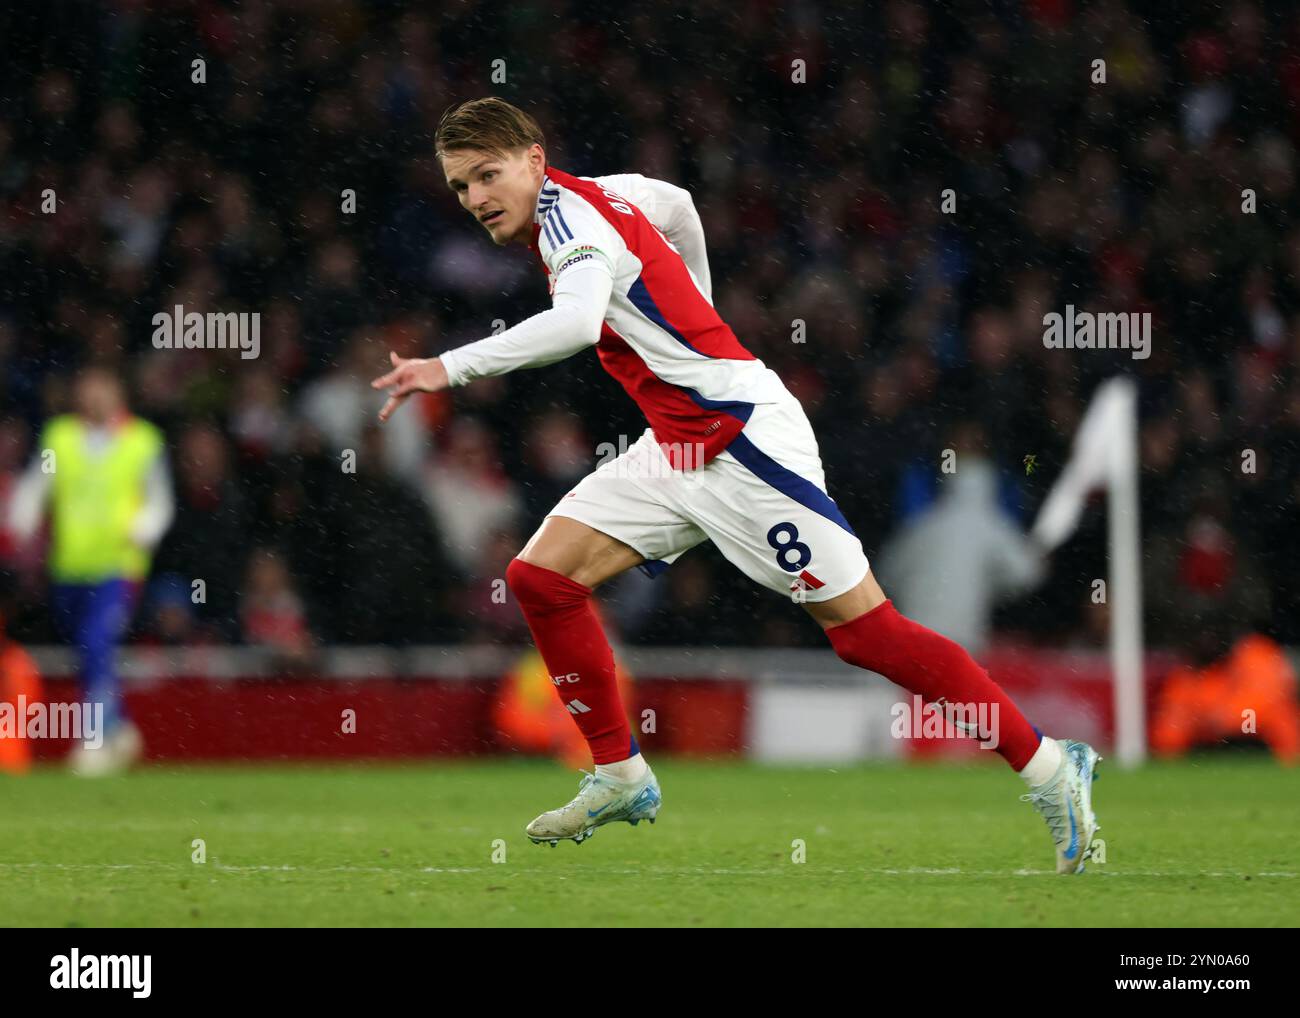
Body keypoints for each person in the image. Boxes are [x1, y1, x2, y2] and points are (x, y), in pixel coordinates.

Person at [372, 98, 1101, 873]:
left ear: (533, 159)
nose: (477, 198)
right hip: (680, 445)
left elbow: (577, 325)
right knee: (541, 578)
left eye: (488, 175)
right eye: (459, 187)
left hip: (744, 442)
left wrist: (445, 367)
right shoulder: (603, 193)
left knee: (866, 634)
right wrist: (700, 313)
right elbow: (679, 206)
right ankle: (620, 773)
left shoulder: (573, 226)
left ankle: (1053, 768)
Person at [8, 367, 173, 775]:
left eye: (104, 389)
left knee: (96, 642)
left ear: (119, 394)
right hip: (68, 567)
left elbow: (160, 499)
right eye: (88, 390)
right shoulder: (60, 437)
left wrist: (143, 528)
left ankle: (94, 739)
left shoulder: (142, 440)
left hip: (118, 566)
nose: (96, 398)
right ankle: (119, 727)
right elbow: (37, 483)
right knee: (85, 649)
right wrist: (22, 516)